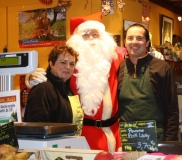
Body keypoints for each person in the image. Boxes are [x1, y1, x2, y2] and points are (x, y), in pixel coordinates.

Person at [25, 13, 123, 152]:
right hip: (79, 134)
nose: (91, 39)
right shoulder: (70, 63)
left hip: (112, 131)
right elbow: (50, 84)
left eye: (95, 34)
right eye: (85, 34)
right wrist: (31, 78)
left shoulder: (115, 59)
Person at [118, 23, 179, 141]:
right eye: (130, 38)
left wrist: (170, 142)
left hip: (155, 138)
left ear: (147, 43)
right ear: (125, 42)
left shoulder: (161, 68)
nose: (134, 42)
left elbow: (172, 110)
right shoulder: (118, 68)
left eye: (139, 38)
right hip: (126, 138)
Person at [24, 45, 84, 134]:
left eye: (72, 64)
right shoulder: (43, 89)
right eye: (63, 62)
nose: (68, 67)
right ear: (51, 64)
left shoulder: (66, 89)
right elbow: (36, 128)